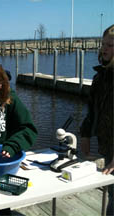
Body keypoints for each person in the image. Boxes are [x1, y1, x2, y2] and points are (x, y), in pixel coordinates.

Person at [80, 24, 114, 216]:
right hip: (108, 147)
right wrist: (85, 135)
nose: (104, 49)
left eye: (110, 45)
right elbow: (92, 111)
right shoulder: (100, 77)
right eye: (103, 44)